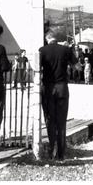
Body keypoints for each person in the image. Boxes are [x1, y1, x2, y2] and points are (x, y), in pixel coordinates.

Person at [39, 31, 78, 161]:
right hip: (62, 88)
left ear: (47, 38)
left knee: (50, 120)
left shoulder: (42, 50)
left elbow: (37, 69)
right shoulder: (65, 50)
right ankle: (61, 154)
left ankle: (51, 151)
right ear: (56, 38)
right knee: (61, 121)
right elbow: (77, 66)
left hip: (48, 88)